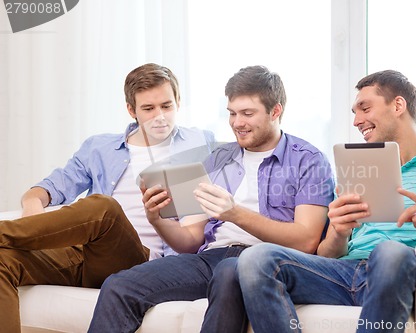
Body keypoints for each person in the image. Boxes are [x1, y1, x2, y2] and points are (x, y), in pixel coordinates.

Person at [199, 69, 416, 333]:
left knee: (390, 252)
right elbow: (328, 254)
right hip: (346, 272)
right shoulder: (358, 168)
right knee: (255, 259)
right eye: (354, 112)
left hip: (398, 269)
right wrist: (339, 231)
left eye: (364, 108)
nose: (356, 120)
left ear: (398, 105)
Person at [86, 65, 335, 332]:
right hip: (210, 259)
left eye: (247, 113)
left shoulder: (308, 159)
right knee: (119, 286)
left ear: (276, 111)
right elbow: (190, 240)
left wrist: (235, 213)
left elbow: (307, 241)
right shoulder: (218, 158)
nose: (237, 123)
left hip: (265, 263)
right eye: (232, 113)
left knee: (229, 272)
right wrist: (157, 220)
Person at [0, 63, 215, 333]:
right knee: (2, 262)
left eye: (167, 106)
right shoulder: (100, 148)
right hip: (82, 254)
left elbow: (195, 233)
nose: (159, 116)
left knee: (104, 209)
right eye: (148, 109)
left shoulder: (196, 146)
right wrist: (32, 210)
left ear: (178, 102)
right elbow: (46, 189)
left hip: (139, 261)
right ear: (131, 110)